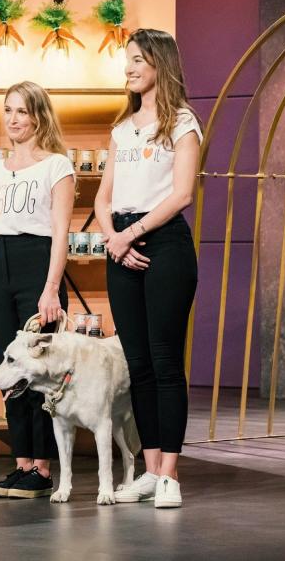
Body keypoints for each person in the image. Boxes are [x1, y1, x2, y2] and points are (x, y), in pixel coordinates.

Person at [94, 28, 202, 509]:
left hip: (164, 244)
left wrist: (130, 236)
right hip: (120, 245)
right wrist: (113, 240)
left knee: (164, 362)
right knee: (137, 365)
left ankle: (170, 476)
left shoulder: (182, 122)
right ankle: (150, 468)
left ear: (160, 62)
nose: (131, 68)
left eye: (138, 59)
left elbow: (182, 194)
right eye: (128, 61)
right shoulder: (121, 129)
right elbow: (103, 197)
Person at [0, 81, 74, 500]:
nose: (13, 119)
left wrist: (50, 289)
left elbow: (62, 233)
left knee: (41, 370)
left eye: (22, 111)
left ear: (38, 116)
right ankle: (22, 465)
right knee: (11, 369)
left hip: (37, 263)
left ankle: (44, 468)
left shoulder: (57, 166)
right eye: (8, 111)